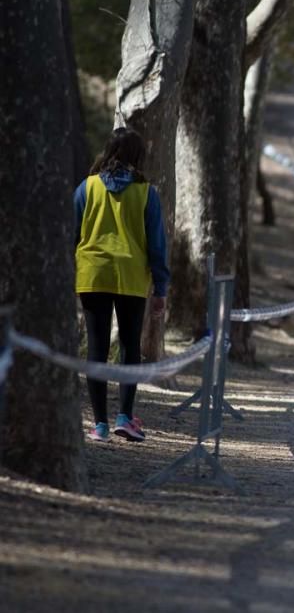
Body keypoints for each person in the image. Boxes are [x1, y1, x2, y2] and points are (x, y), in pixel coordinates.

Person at [75, 127, 169, 443]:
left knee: (97, 349)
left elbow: (72, 232)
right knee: (129, 348)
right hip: (130, 276)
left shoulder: (86, 188)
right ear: (137, 157)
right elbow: (157, 245)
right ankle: (124, 418)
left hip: (93, 274)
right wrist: (161, 287)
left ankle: (99, 424)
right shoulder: (146, 192)